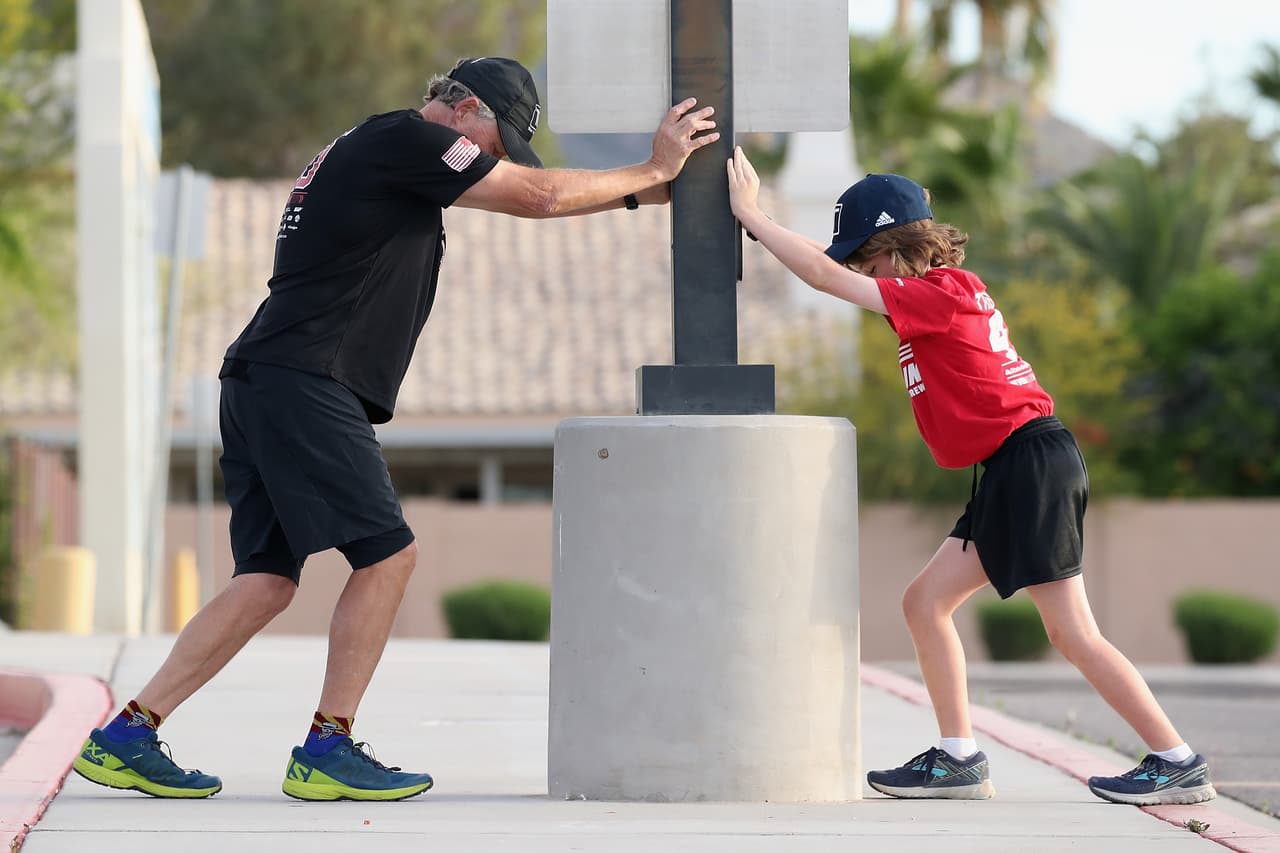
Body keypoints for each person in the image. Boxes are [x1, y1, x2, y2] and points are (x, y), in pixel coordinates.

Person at [71, 57, 719, 803]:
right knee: (389, 557)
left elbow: (532, 196)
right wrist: (649, 165)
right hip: (305, 380)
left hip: (262, 377)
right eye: (497, 138)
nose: (496, 156)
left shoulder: (384, 154)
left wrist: (642, 192)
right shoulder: (407, 139)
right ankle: (329, 745)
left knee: (266, 580)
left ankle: (128, 731)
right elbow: (536, 196)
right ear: (464, 107)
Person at [725, 147, 1216, 807]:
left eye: (865, 258)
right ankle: (959, 756)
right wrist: (769, 223)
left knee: (1071, 631)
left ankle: (1175, 759)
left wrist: (752, 215)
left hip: (1031, 463)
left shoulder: (941, 294)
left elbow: (820, 275)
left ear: (895, 249)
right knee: (924, 602)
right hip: (1012, 464)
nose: (860, 274)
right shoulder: (933, 294)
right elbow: (825, 262)